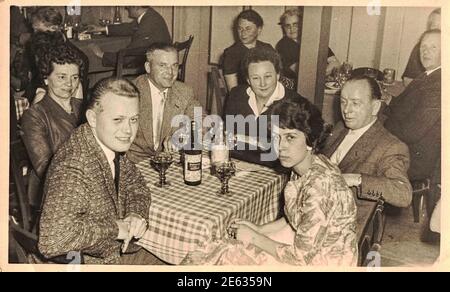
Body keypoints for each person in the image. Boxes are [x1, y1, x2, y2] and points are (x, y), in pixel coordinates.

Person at [182, 97, 357, 266]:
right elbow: (300, 218)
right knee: (218, 248)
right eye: (276, 137)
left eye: (290, 137)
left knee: (223, 256)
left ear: (310, 140)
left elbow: (300, 259)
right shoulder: (309, 165)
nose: (280, 146)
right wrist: (260, 229)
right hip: (313, 251)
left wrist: (254, 237)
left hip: (323, 263)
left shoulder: (319, 188)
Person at [38, 78, 162, 265]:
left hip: (110, 253)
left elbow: (137, 185)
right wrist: (114, 228)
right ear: (93, 118)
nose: (128, 130)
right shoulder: (74, 167)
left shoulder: (108, 145)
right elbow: (52, 240)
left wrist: (136, 214)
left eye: (133, 119)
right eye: (118, 120)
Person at [322, 76, 412, 208]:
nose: (346, 110)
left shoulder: (391, 146)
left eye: (355, 103)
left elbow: (403, 194)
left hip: (348, 219)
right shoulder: (341, 127)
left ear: (375, 107)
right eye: (343, 102)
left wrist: (356, 179)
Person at [21, 44, 84, 211]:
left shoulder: (83, 108)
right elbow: (45, 168)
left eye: (75, 77)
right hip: (51, 196)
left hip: (85, 186)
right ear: (46, 78)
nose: (70, 84)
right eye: (62, 77)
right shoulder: (35, 115)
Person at [223, 46, 302, 169]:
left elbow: (289, 154)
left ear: (278, 74)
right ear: (248, 80)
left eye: (268, 76)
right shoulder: (236, 96)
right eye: (255, 78)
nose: (262, 84)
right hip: (238, 169)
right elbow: (229, 140)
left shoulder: (294, 103)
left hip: (276, 173)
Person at [127, 43, 202, 163]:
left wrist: (183, 134)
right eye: (163, 65)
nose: (170, 72)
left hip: (169, 162)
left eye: (175, 66)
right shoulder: (130, 92)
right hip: (134, 163)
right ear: (148, 67)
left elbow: (199, 119)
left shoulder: (184, 92)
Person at [384, 30, 441, 191]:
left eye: (433, 47)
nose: (426, 52)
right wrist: (389, 100)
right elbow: (407, 107)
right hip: (407, 146)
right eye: (423, 47)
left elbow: (411, 132)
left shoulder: (439, 84)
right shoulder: (427, 75)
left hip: (415, 158)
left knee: (361, 155)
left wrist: (380, 128)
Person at [24, 7, 89, 103]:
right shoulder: (65, 42)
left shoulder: (43, 44)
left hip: (58, 93)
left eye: (36, 30)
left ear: (53, 28)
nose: (34, 34)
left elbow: (42, 78)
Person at [87, 6, 171, 67]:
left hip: (157, 65)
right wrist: (101, 28)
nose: (126, 7)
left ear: (136, 7)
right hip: (157, 59)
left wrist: (101, 54)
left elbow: (127, 57)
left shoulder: (148, 24)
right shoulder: (149, 15)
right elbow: (129, 27)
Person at [275, 9, 338, 89]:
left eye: (295, 25)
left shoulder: (313, 40)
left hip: (315, 83)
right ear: (283, 28)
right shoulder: (283, 45)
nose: (292, 29)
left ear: (303, 25)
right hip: (293, 88)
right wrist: (326, 69)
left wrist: (321, 72)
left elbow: (336, 64)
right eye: (288, 26)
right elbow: (304, 74)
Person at [222, 9, 274, 91]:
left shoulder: (267, 48)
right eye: (240, 29)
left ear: (259, 30)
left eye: (248, 28)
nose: (243, 33)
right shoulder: (231, 53)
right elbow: (233, 91)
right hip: (244, 97)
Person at [402, 8, 440, 87]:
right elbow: (408, 79)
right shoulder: (421, 48)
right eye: (435, 26)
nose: (439, 31)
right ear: (429, 28)